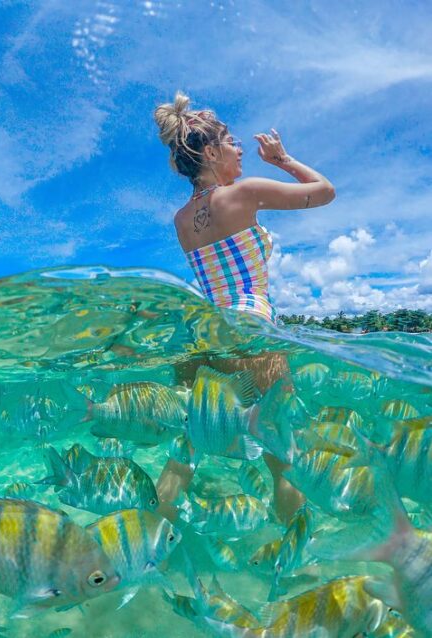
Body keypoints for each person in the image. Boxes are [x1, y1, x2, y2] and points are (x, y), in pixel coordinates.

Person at [153, 92, 336, 524]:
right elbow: (325, 192)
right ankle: (289, 561)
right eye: (232, 142)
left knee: (186, 449)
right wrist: (283, 159)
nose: (240, 150)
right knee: (282, 453)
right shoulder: (244, 194)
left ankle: (153, 532)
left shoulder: (181, 220)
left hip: (201, 334)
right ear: (211, 152)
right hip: (252, 327)